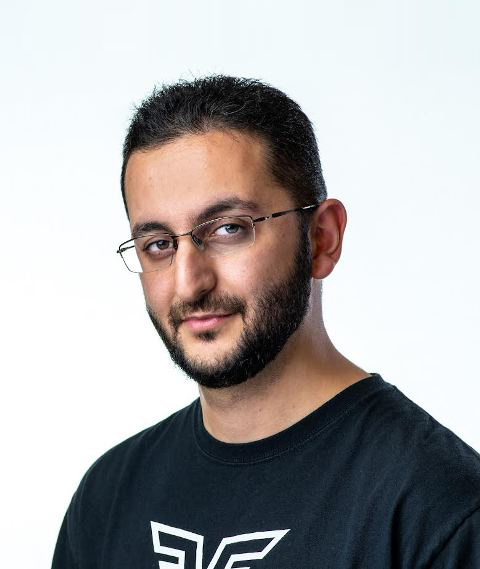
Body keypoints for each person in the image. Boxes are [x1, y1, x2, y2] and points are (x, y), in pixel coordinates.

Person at [52, 75, 480, 568]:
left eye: (228, 229)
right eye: (160, 244)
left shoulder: (438, 508)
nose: (189, 284)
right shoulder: (107, 498)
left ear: (321, 239)